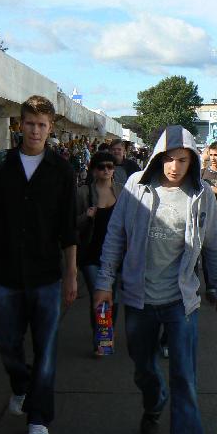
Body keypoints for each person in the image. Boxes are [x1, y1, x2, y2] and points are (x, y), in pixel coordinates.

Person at [94, 125, 217, 434]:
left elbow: (214, 245)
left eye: (182, 160)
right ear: (157, 158)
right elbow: (115, 236)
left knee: (185, 378)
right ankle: (154, 401)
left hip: (180, 302)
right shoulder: (136, 187)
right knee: (143, 368)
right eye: (168, 159)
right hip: (139, 299)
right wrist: (104, 282)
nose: (174, 167)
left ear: (192, 161)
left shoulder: (201, 195)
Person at [0, 95, 78, 434]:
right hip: (6, 267)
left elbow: (68, 228)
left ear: (51, 128)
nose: (35, 131)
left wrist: (71, 273)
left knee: (46, 349)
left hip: (46, 271)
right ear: (20, 124)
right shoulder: (0, 163)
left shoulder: (61, 170)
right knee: (4, 340)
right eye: (30, 123)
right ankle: (22, 385)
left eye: (42, 125)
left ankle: (39, 417)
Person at [76, 151, 123, 354]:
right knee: (99, 295)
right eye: (101, 167)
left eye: (110, 166)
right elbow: (71, 224)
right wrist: (86, 216)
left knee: (114, 298)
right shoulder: (84, 192)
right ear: (94, 170)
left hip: (116, 255)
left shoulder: (122, 192)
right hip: (91, 253)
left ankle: (106, 333)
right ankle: (102, 341)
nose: (106, 170)